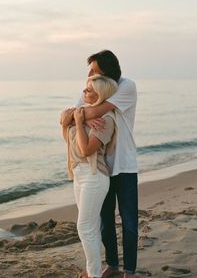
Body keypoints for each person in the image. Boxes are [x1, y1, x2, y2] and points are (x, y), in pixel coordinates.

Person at [76, 50, 138, 278]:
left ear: (106, 73)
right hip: (102, 167)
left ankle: (129, 272)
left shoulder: (126, 86)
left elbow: (99, 109)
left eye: (93, 70)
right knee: (105, 222)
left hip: (125, 165)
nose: (89, 75)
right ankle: (112, 265)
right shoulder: (91, 88)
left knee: (129, 221)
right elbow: (67, 114)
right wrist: (81, 115)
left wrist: (83, 115)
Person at [61, 74, 118, 278]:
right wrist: (83, 116)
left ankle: (93, 274)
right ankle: (92, 271)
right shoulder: (82, 112)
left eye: (89, 90)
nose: (84, 92)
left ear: (100, 95)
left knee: (84, 227)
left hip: (95, 176)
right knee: (90, 227)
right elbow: (62, 119)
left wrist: (78, 121)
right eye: (85, 88)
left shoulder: (107, 121)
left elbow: (86, 150)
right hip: (79, 174)